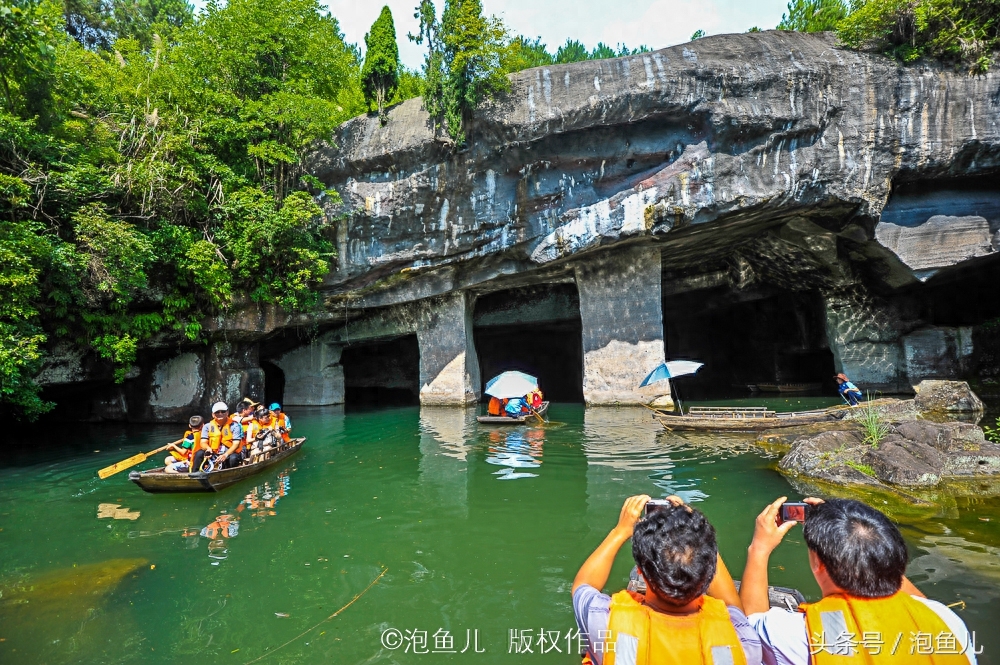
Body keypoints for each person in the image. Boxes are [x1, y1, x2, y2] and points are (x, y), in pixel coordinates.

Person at [740, 496, 976, 664]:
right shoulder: (947, 621)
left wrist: (759, 548)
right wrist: (860, 539)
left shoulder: (795, 635)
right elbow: (918, 601)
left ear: (817, 563)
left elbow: (750, 623)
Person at [573, 494, 762, 665]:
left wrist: (620, 531)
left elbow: (583, 586)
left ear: (640, 570)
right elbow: (732, 605)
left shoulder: (603, 622)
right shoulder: (744, 644)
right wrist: (698, 535)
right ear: (709, 571)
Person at [195, 402, 244, 471]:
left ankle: (230, 474)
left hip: (229, 453)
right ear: (213, 414)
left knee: (233, 458)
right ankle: (195, 473)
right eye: (217, 412)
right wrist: (208, 449)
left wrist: (225, 455)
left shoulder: (235, 426)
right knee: (199, 453)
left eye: (223, 411)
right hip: (214, 452)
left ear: (227, 412)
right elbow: (203, 442)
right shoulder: (207, 426)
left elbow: (236, 444)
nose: (220, 414)